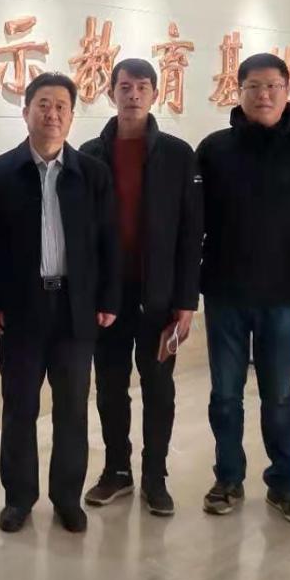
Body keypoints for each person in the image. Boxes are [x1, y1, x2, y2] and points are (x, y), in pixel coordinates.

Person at [196, 52, 290, 525]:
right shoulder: (214, 150)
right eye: (253, 86)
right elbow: (193, 223)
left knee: (278, 395)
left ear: (287, 90)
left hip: (282, 294)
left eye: (273, 86)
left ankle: (284, 482)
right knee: (225, 395)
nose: (263, 95)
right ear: (238, 91)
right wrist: (188, 286)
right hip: (225, 293)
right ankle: (228, 478)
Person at [0, 72, 121, 534]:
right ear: (26, 112)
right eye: (43, 104)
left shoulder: (93, 174)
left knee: (72, 409)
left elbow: (109, 242)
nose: (52, 114)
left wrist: (109, 298)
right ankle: (18, 499)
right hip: (21, 309)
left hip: (75, 310)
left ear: (72, 116)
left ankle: (66, 498)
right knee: (19, 407)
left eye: (61, 106)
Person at [80, 59, 203, 516]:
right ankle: (117, 470)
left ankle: (155, 476)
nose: (133, 95)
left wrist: (186, 300)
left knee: (158, 387)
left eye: (143, 87)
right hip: (107, 298)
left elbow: (191, 233)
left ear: (155, 94)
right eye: (125, 87)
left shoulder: (178, 154)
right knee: (110, 385)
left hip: (160, 297)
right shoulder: (90, 154)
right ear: (110, 92)